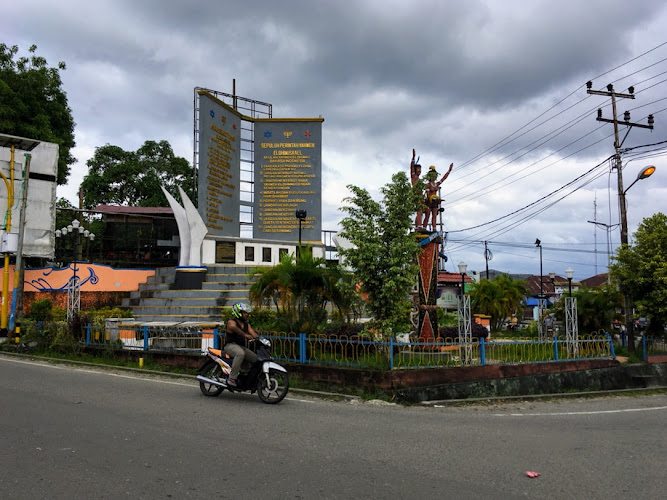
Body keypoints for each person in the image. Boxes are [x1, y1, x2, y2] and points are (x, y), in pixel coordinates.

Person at [224, 302, 259, 387]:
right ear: (238, 313)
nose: (247, 314)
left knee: (256, 359)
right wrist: (245, 335)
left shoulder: (246, 325)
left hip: (241, 347)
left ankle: (247, 378)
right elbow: (234, 328)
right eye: (245, 313)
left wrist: (261, 339)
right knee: (240, 354)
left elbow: (253, 333)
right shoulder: (231, 322)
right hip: (230, 346)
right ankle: (231, 378)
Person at [424, 163, 453, 231]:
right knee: (427, 215)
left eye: (435, 175)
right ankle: (424, 228)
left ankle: (434, 229)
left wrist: (449, 171)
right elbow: (427, 194)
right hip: (429, 201)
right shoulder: (428, 185)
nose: (434, 176)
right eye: (433, 175)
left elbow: (443, 179)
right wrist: (429, 199)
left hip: (435, 201)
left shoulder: (436, 184)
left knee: (434, 215)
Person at [410, 149, 426, 229]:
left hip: (420, 195)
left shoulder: (419, 179)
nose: (420, 171)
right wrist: (413, 157)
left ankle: (418, 226)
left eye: (420, 170)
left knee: (422, 212)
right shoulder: (414, 176)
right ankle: (419, 226)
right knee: (419, 211)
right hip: (416, 195)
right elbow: (411, 167)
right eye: (418, 169)